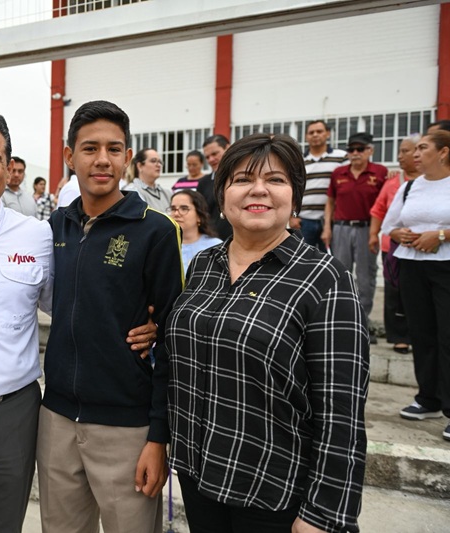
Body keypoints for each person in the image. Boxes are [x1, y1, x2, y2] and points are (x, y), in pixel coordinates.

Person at [0, 108, 158, 532]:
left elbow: (74, 303)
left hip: (16, 417)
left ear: (9, 168)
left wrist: (148, 325)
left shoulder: (40, 235)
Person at [167, 132, 369, 533]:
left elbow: (341, 410)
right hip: (197, 472)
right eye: (242, 179)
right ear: (222, 195)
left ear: (295, 197)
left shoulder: (324, 279)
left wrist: (322, 513)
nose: (258, 189)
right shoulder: (203, 265)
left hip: (273, 490)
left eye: (275, 179)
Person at [37, 100, 184, 533]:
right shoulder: (55, 227)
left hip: (127, 427)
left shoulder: (156, 230)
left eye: (114, 149)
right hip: (57, 419)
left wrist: (158, 436)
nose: (102, 159)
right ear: (70, 156)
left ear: (127, 157)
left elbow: (172, 339)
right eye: (90, 148)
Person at [382, 130, 450, 440]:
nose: (415, 153)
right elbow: (390, 226)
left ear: (443, 152)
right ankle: (428, 399)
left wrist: (440, 235)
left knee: (448, 335)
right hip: (413, 266)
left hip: (445, 266)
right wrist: (400, 234)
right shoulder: (410, 187)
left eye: (423, 147)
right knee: (422, 333)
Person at [322, 132, 387, 333]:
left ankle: (363, 320)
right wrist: (327, 228)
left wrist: (376, 232)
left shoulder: (380, 172)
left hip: (367, 229)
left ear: (370, 150)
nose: (355, 153)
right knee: (340, 274)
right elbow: (330, 202)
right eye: (351, 149)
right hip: (341, 228)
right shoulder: (338, 173)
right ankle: (341, 318)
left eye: (360, 149)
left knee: (366, 276)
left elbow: (385, 202)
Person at [369, 135, 420, 354]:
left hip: (427, 249)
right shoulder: (392, 182)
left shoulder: (435, 182)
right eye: (399, 151)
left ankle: (420, 334)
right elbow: (378, 210)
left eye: (405, 151)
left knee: (420, 293)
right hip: (393, 247)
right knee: (394, 292)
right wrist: (373, 234)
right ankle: (399, 337)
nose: (399, 156)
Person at [290, 120, 347, 252]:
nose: (315, 135)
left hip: (332, 221)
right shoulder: (298, 161)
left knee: (331, 259)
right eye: (311, 132)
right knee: (302, 258)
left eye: (319, 131)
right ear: (306, 136)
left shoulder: (342, 157)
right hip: (304, 221)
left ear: (328, 134)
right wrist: (292, 216)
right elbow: (292, 189)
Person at [167, 189, 222, 276]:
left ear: (199, 216)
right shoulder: (164, 246)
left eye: (184, 208)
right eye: (173, 209)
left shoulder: (215, 247)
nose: (176, 214)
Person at [196, 134, 233, 239]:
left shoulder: (243, 177)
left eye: (215, 154)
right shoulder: (203, 183)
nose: (211, 160)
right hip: (214, 241)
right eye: (207, 157)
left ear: (228, 148)